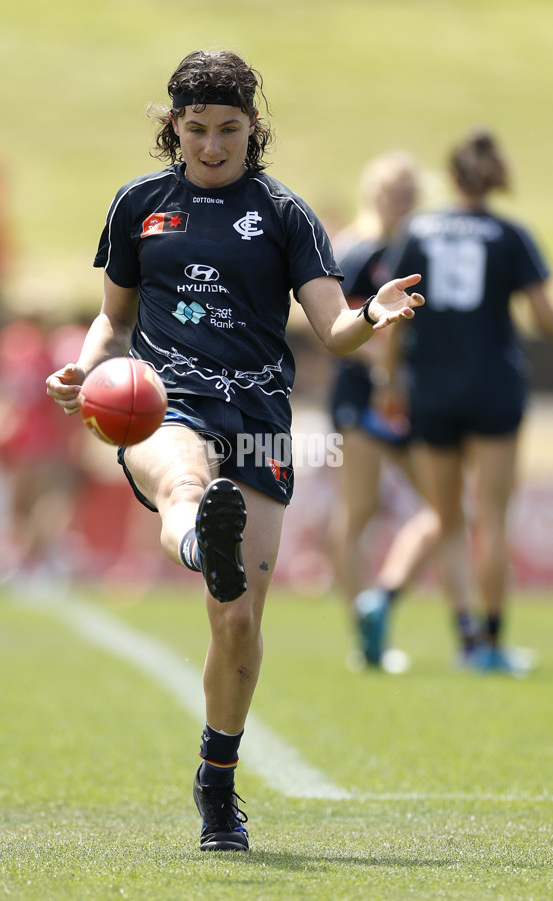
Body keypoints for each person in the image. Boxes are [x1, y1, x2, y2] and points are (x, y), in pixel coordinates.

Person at [46, 49, 424, 851]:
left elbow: (333, 330)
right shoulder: (138, 206)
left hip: (256, 418)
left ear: (254, 127)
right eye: (196, 130)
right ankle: (193, 536)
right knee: (182, 476)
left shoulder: (284, 214)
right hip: (159, 399)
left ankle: (216, 782)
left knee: (240, 625)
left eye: (228, 130)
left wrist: (373, 315)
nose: (212, 146)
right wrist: (88, 363)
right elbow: (113, 319)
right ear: (172, 129)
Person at [354, 129, 553, 674]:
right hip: (494, 389)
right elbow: (544, 318)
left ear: (453, 175)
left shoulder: (419, 229)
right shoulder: (512, 235)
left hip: (433, 391)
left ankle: (464, 635)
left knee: (446, 519)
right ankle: (489, 644)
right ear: (494, 177)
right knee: (492, 517)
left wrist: (390, 383)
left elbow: (393, 315)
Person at [327, 152, 441, 669]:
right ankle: (363, 634)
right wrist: (382, 360)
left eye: (410, 193)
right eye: (394, 192)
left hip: (409, 396)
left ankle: (387, 604)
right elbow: (328, 321)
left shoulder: (418, 248)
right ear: (374, 194)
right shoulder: (355, 249)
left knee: (446, 510)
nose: (402, 203)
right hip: (363, 393)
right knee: (360, 511)